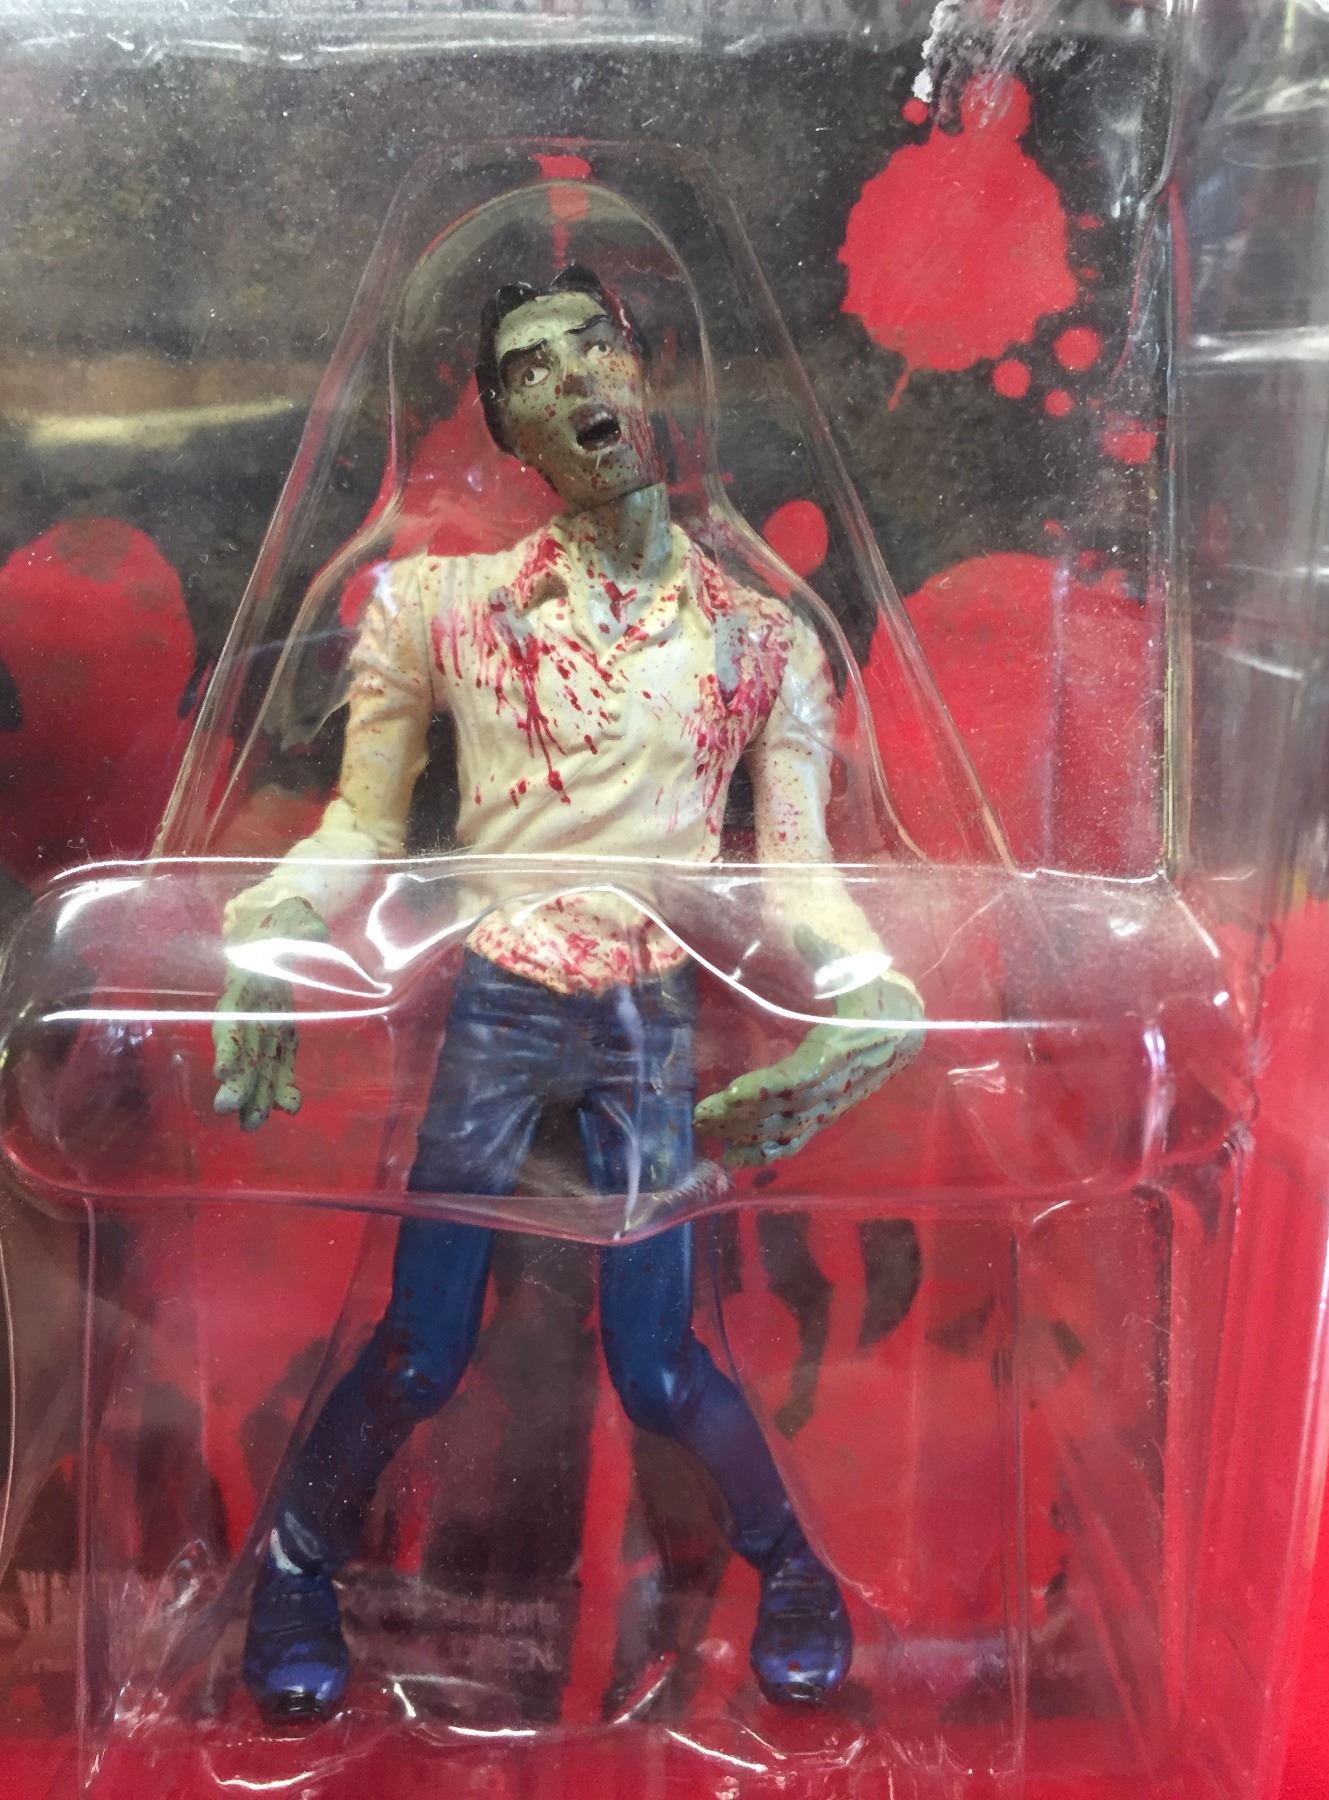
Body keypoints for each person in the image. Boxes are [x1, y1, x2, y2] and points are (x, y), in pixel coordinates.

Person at [213, 264, 924, 1723]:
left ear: (642, 370)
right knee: (423, 1348)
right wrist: (270, 932)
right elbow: (358, 825)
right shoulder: (440, 605)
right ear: (506, 428)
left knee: (657, 1363)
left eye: (594, 347)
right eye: (532, 370)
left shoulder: (762, 642)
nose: (575, 379)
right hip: (497, 999)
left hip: (652, 1011)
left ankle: (790, 1564)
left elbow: (797, 877)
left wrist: (874, 993)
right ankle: (291, 1564)